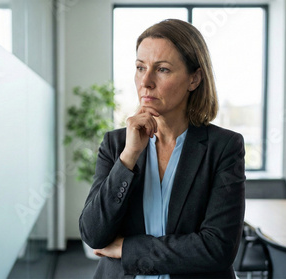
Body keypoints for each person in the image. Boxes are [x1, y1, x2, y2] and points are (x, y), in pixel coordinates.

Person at [79, 19, 245, 279]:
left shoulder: (224, 147)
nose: (146, 81)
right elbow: (93, 234)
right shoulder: (115, 145)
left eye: (163, 69)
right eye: (140, 67)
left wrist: (127, 248)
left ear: (194, 78)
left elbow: (217, 248)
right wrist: (129, 157)